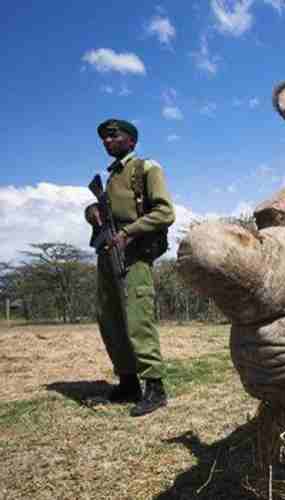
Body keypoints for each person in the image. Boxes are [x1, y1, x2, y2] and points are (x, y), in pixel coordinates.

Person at [85, 119, 175, 416]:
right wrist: (93, 213)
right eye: (103, 138)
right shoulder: (111, 177)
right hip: (107, 251)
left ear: (131, 141)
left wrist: (127, 233)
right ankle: (128, 383)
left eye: (113, 135)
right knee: (108, 317)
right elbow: (107, 212)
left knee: (138, 318)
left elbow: (165, 212)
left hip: (133, 253)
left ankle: (155, 388)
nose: (106, 141)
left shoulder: (146, 168)